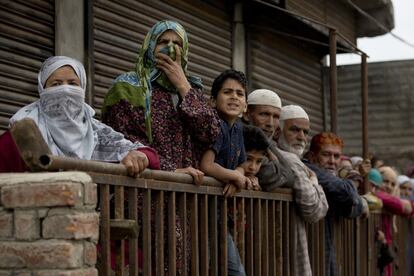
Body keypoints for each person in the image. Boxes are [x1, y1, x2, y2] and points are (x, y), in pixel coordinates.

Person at [102, 20, 220, 183]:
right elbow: (125, 141)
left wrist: (182, 84)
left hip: (185, 195)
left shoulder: (189, 91)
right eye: (163, 42)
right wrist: (171, 171)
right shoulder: (127, 87)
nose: (170, 48)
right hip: (143, 188)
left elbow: (210, 133)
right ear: (150, 46)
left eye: (177, 43)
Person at [0, 56, 160, 174]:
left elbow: (149, 156)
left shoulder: (95, 131)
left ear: (82, 88)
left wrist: (139, 156)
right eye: (56, 84)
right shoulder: (20, 135)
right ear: (42, 90)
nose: (65, 89)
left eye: (73, 84)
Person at [268, 104, 328, 276]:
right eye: (294, 130)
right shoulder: (290, 160)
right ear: (278, 132)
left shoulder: (290, 158)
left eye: (305, 132)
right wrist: (314, 180)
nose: (301, 137)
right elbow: (313, 210)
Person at [200, 69, 248, 276]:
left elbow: (243, 163)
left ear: (245, 105)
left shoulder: (237, 128)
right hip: (200, 211)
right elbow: (207, 165)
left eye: (239, 94)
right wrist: (234, 176)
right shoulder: (215, 124)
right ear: (212, 101)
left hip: (219, 214)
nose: (234, 97)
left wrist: (236, 175)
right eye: (227, 92)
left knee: (234, 270)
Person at [305, 132, 369, 276]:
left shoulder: (332, 180)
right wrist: (354, 182)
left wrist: (356, 198)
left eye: (336, 156)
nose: (332, 161)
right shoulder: (309, 168)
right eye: (326, 154)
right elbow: (348, 194)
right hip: (308, 249)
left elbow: (353, 207)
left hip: (324, 250)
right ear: (312, 156)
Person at [242, 89, 295, 189]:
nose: (270, 123)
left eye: (276, 117)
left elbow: (290, 178)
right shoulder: (239, 137)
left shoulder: (267, 142)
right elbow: (267, 175)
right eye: (264, 114)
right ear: (246, 114)